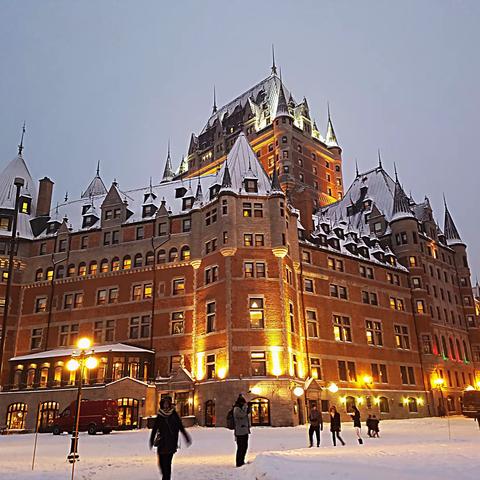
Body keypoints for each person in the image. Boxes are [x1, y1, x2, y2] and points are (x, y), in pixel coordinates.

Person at [149, 396, 191, 480]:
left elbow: (180, 426)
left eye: (167, 403)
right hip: (162, 442)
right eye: (164, 403)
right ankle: (165, 475)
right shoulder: (160, 415)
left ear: (169, 404)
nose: (166, 405)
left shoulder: (174, 414)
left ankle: (166, 478)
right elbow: (155, 428)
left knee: (167, 464)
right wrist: (151, 439)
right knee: (161, 463)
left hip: (171, 442)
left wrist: (186, 437)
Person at [233, 394, 251, 467]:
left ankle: (242, 461)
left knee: (244, 447)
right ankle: (239, 462)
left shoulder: (241, 408)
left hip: (244, 431)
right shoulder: (236, 409)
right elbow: (242, 415)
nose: (245, 404)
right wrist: (245, 407)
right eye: (244, 403)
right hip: (240, 432)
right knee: (241, 447)